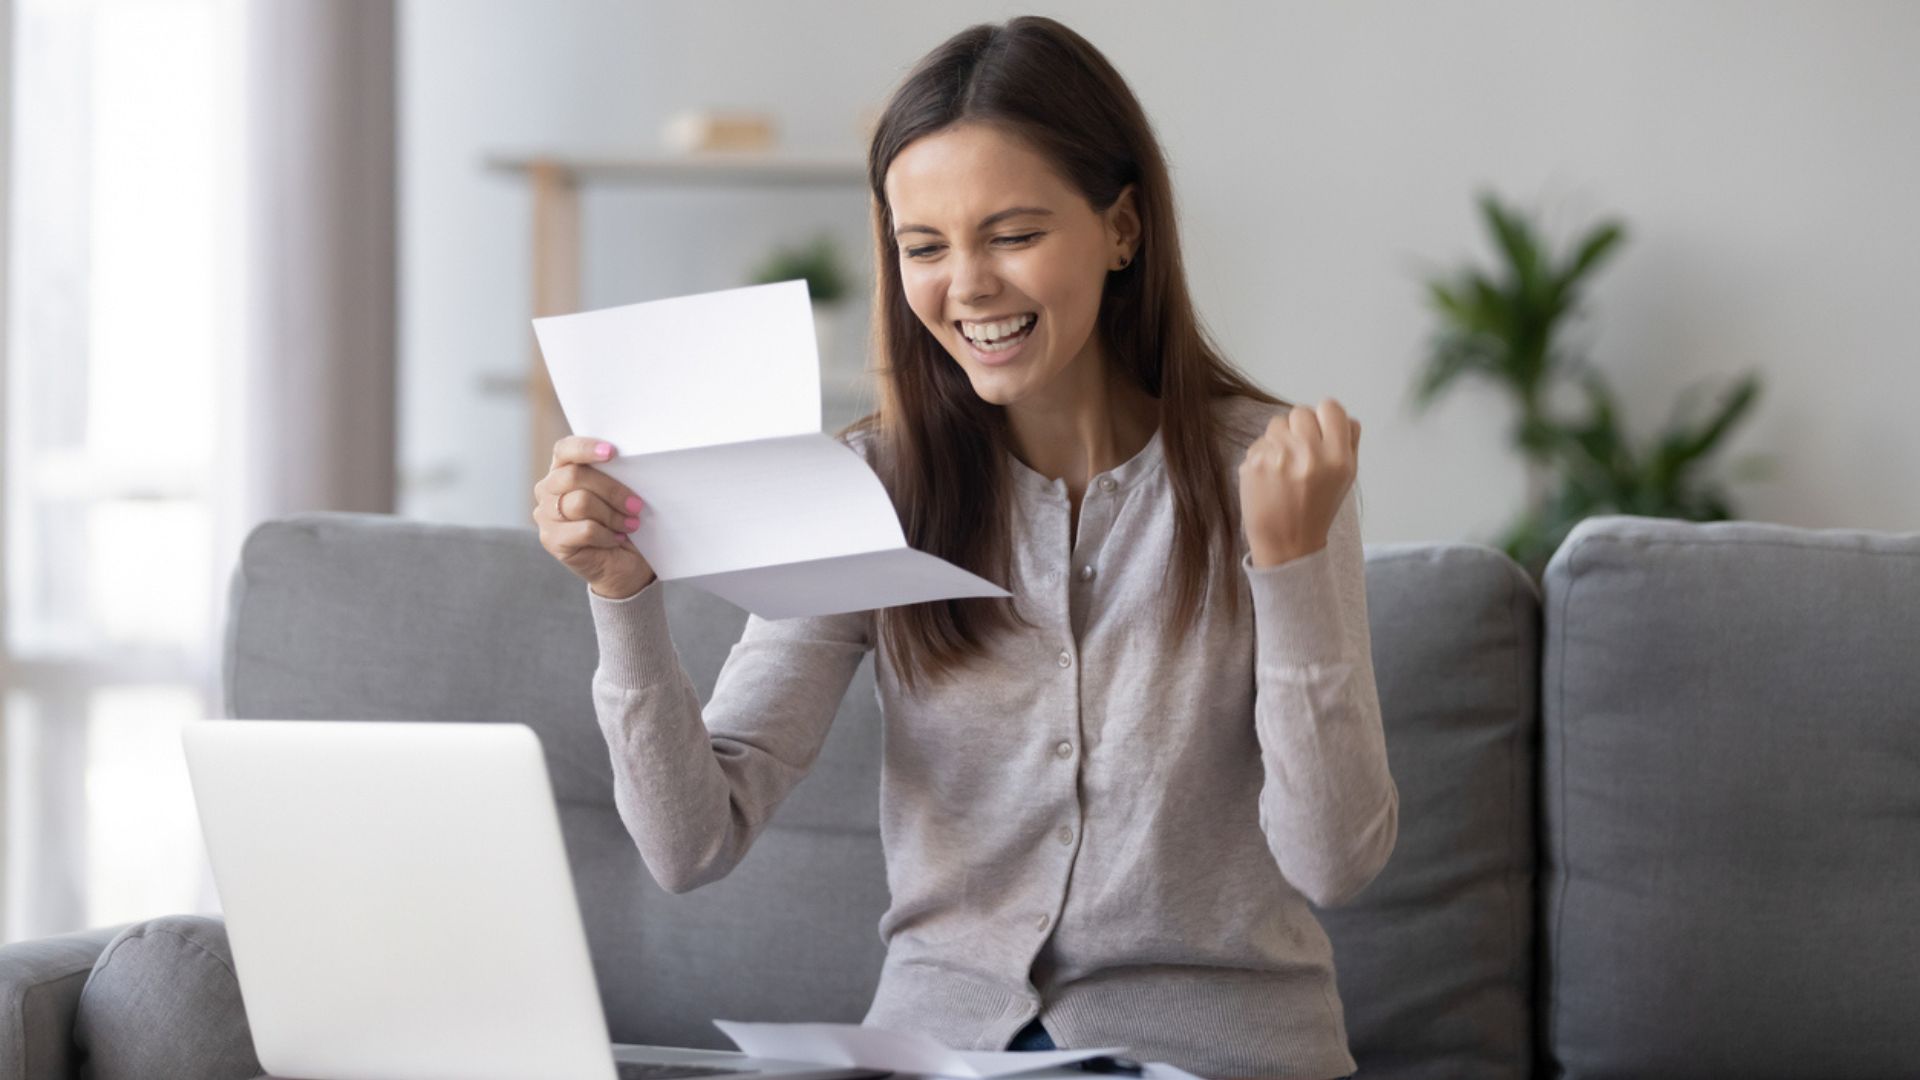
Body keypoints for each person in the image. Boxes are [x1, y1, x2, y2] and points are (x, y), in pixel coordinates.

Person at [532, 16, 1391, 1080]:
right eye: (924, 248)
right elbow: (688, 842)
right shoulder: (875, 486)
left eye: (1014, 234)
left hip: (1215, 1056)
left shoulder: (1269, 471)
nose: (967, 285)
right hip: (941, 1052)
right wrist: (623, 596)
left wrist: (1291, 569)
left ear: (1121, 229)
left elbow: (1337, 859)